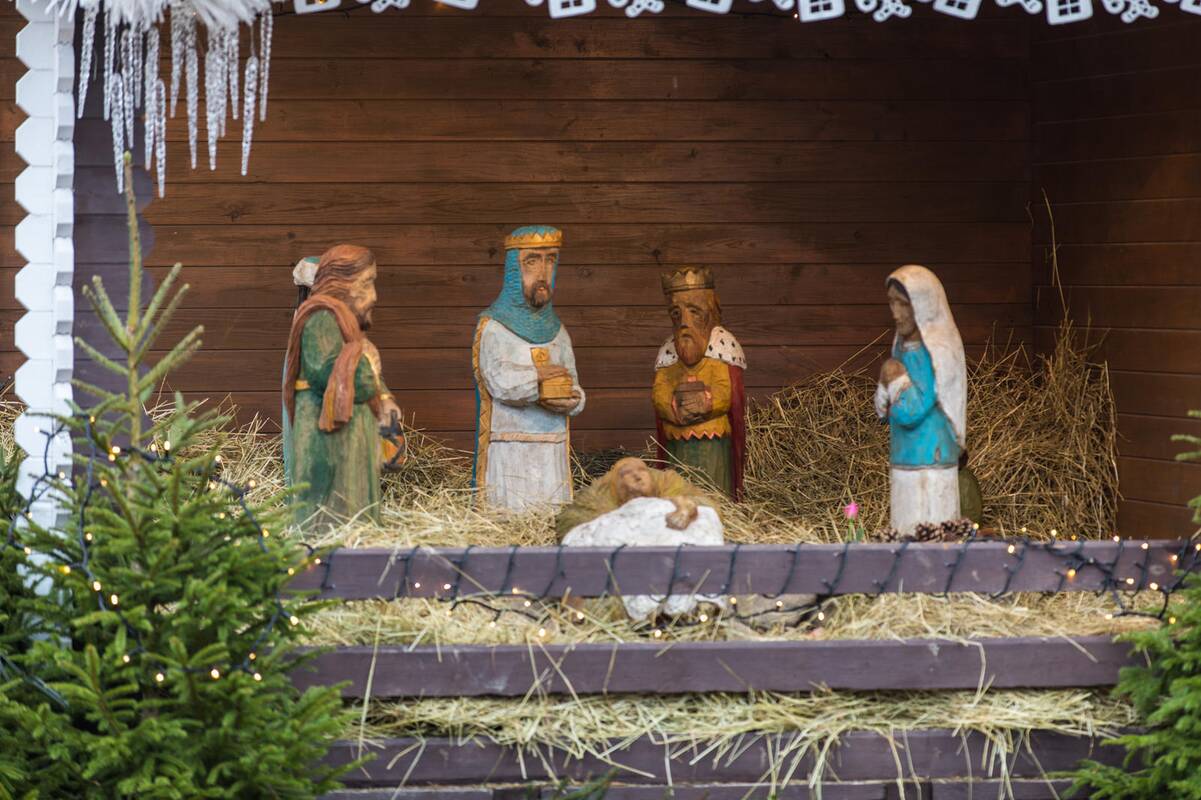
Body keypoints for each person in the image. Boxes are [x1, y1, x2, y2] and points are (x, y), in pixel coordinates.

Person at [282, 245, 401, 529]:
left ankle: (357, 535)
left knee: (354, 502)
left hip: (349, 436)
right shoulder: (320, 319)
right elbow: (328, 371)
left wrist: (384, 398)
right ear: (343, 284)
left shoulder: (345, 325)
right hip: (327, 438)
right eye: (367, 284)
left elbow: (363, 372)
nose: (374, 296)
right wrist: (367, 368)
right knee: (331, 505)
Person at [472, 226, 584, 511]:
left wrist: (572, 400)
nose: (543, 273)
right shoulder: (494, 327)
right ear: (514, 269)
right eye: (532, 261)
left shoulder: (559, 332)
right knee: (511, 514)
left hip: (552, 448)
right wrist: (538, 378)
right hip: (511, 447)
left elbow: (573, 384)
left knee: (552, 513)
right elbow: (498, 382)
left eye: (550, 260)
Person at [874, 264, 967, 535]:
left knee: (933, 531)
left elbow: (910, 411)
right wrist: (889, 380)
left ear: (923, 305)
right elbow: (884, 411)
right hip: (904, 457)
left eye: (904, 304)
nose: (896, 313)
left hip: (931, 461)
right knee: (904, 529)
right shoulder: (901, 347)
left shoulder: (940, 351)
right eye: (892, 303)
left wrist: (893, 375)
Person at [652, 267, 747, 499]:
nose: (684, 322)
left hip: (713, 442)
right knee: (679, 493)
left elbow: (727, 392)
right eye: (676, 313)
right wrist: (675, 408)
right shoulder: (668, 355)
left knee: (712, 491)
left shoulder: (722, 350)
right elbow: (659, 393)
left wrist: (705, 403)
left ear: (712, 311)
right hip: (677, 443)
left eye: (694, 311)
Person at [555, 456, 717, 536]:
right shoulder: (599, 495)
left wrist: (684, 505)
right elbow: (569, 524)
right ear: (617, 482)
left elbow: (710, 508)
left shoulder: (668, 483)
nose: (637, 477)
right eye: (627, 473)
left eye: (641, 471)